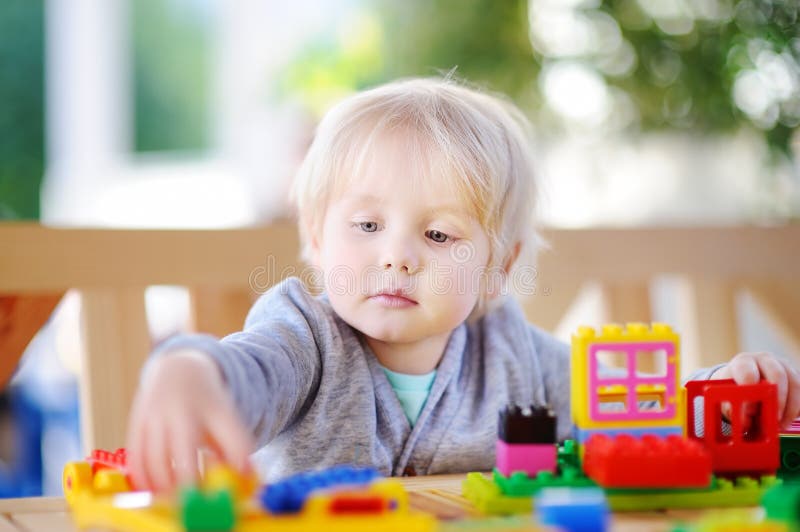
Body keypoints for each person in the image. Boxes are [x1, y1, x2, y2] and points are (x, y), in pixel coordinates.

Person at [125, 77, 800, 493]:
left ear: (497, 268)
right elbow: (247, 374)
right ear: (315, 235)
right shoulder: (304, 337)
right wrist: (190, 367)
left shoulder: (518, 357)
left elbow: (632, 415)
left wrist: (722, 394)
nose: (397, 258)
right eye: (366, 224)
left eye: (439, 236)